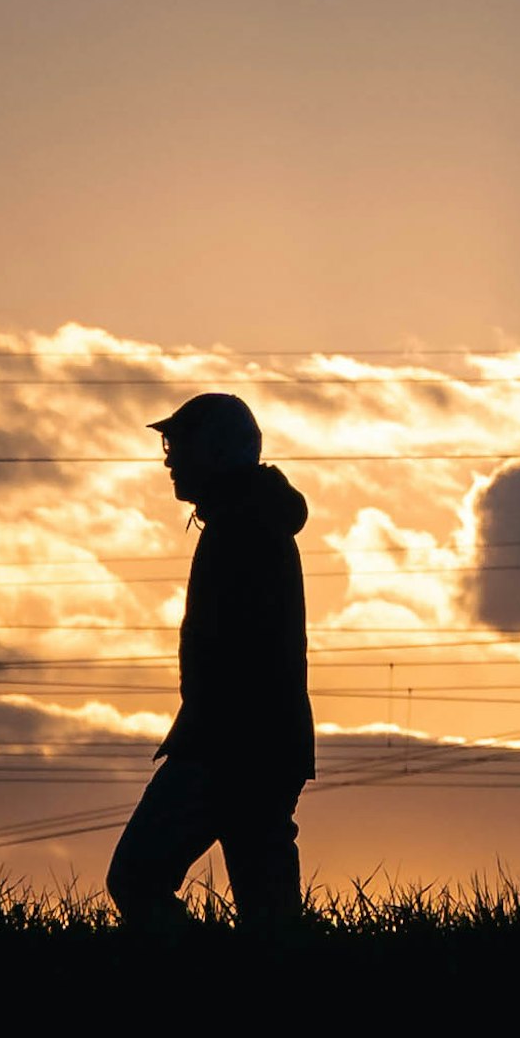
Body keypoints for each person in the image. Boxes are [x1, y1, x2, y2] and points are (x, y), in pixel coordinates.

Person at [105, 391, 315, 931]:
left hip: (228, 748)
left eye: (180, 445)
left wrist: (205, 736)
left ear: (220, 451)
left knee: (136, 878)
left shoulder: (242, 528)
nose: (169, 459)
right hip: (258, 746)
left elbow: (238, 655)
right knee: (271, 920)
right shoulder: (246, 519)